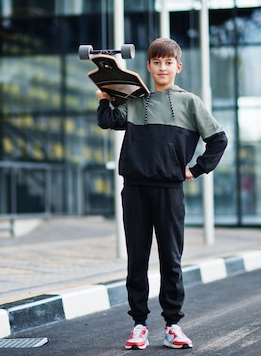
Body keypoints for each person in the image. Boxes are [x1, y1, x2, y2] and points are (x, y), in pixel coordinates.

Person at [95, 37, 227, 350]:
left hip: (170, 191)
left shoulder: (190, 103)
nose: (162, 67)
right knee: (137, 259)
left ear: (178, 67)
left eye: (168, 62)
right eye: (157, 62)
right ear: (149, 66)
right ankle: (139, 324)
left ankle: (172, 325)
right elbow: (107, 121)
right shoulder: (137, 99)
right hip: (135, 190)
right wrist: (104, 96)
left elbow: (218, 140)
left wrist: (196, 169)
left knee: (171, 259)